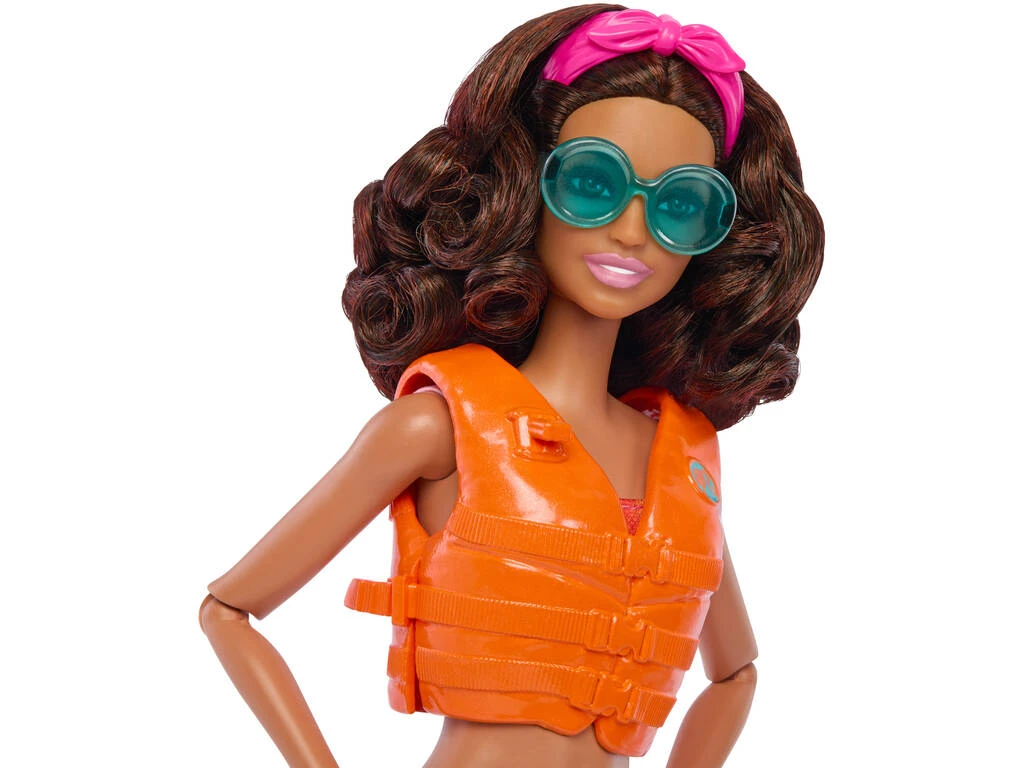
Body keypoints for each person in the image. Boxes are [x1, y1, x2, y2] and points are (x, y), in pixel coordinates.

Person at [199, 6, 824, 767]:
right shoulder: (440, 426)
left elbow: (735, 674)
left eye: (679, 205)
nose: (633, 231)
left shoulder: (677, 458)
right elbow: (229, 609)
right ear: (526, 186)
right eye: (592, 183)